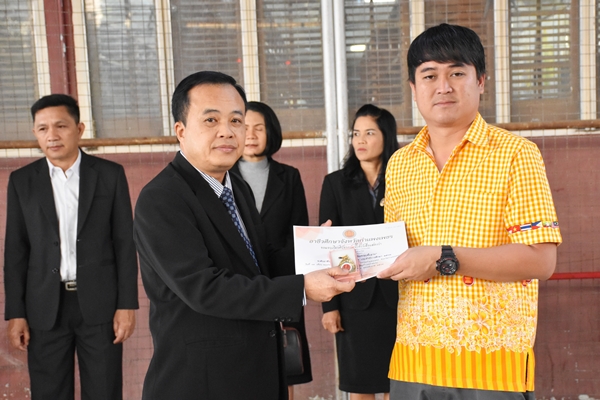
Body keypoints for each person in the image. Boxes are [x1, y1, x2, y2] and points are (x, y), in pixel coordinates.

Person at [133, 70, 355, 400]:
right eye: (211, 120)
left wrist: (315, 250)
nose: (227, 131)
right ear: (181, 131)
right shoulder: (162, 198)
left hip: (256, 372)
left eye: (236, 120)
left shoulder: (237, 188)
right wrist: (301, 288)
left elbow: (259, 262)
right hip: (204, 381)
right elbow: (205, 289)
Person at [377, 23, 562, 400]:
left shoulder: (516, 154)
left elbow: (541, 260)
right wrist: (340, 253)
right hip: (413, 364)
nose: (443, 86)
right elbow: (395, 254)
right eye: (429, 75)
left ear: (480, 81)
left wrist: (444, 258)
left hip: (491, 368)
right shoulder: (400, 164)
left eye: (457, 73)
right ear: (414, 88)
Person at [3, 94, 139, 399]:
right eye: (42, 129)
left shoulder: (109, 175)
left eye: (60, 126)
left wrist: (127, 305)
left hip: (100, 304)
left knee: (104, 390)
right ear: (35, 133)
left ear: (79, 129)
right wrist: (16, 313)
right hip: (44, 306)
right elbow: (15, 252)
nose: (51, 135)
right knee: (49, 392)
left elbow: (124, 243)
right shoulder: (22, 181)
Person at [231, 101, 312, 398]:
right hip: (239, 282)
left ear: (271, 132)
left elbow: (298, 231)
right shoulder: (223, 177)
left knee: (284, 359)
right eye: (244, 127)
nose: (251, 135)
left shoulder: (289, 176)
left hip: (283, 280)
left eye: (259, 128)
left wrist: (287, 277)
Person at [319, 104, 399, 400]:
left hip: (399, 296)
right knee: (359, 383)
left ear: (386, 136)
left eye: (369, 133)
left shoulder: (404, 180)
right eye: (356, 133)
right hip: (353, 298)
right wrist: (330, 306)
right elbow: (329, 246)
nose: (360, 140)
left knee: (398, 382)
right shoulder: (335, 183)